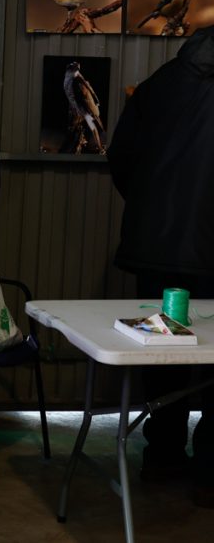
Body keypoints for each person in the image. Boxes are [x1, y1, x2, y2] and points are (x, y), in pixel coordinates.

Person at [107, 27, 214, 508]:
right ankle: (210, 471)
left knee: (163, 354)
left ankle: (162, 456)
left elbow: (121, 156)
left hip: (156, 250)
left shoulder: (160, 82)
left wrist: (150, 208)